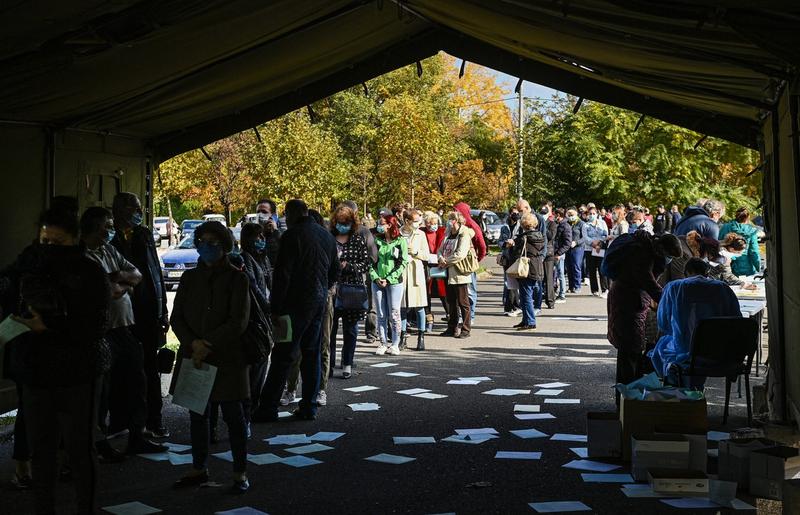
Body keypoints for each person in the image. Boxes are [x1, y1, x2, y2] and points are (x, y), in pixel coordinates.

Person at [12, 208, 111, 515]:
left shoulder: (90, 272)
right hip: (37, 371)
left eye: (58, 241)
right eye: (45, 239)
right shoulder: (28, 268)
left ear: (75, 239)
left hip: (78, 371)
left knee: (79, 449)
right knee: (42, 450)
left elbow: (96, 326)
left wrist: (50, 327)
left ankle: (86, 508)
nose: (50, 246)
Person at [81, 207, 168, 462]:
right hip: (100, 331)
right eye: (106, 226)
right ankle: (97, 443)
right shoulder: (82, 256)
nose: (111, 231)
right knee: (101, 391)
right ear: (93, 228)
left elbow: (137, 274)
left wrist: (117, 277)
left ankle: (137, 436)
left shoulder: (108, 250)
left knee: (136, 381)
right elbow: (106, 292)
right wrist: (119, 284)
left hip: (125, 327)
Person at [254, 200, 339, 422]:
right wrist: (323, 288)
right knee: (311, 354)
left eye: (286, 215)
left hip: (293, 304)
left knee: (283, 356)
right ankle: (309, 406)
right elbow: (334, 271)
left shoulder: (291, 236)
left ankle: (268, 407)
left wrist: (275, 308)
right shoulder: (326, 236)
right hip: (318, 302)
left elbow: (283, 275)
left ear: (292, 214)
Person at [111, 192, 170, 439]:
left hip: (148, 312)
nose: (138, 212)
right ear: (119, 210)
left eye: (139, 207)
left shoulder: (144, 235)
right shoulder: (111, 240)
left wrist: (163, 309)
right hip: (124, 315)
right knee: (124, 371)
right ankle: (123, 422)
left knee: (150, 369)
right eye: (133, 208)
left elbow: (155, 272)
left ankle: (153, 420)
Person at [603, 232, 682, 405]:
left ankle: (630, 398)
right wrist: (672, 303)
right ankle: (627, 400)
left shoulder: (647, 250)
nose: (669, 260)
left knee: (632, 349)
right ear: (662, 249)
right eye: (669, 255)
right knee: (630, 350)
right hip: (628, 303)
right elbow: (649, 283)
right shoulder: (642, 255)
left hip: (631, 301)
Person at [648, 258, 743, 387]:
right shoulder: (722, 288)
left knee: (661, 349)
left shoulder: (674, 287)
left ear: (686, 273)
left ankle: (679, 393)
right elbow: (736, 321)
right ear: (707, 272)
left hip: (685, 350)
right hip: (719, 353)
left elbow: (664, 323)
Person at [329, 205, 371, 377]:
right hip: (332, 289)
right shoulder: (329, 239)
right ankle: (329, 364)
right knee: (329, 330)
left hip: (352, 289)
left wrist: (350, 266)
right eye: (339, 222)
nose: (342, 225)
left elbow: (366, 263)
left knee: (351, 329)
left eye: (345, 223)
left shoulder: (357, 239)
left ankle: (347, 363)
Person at [238, 223, 272, 427]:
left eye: (263, 236)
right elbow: (253, 285)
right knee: (255, 362)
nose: (262, 239)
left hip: (263, 317)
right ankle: (247, 410)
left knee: (261, 362)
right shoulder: (245, 259)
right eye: (257, 236)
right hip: (255, 318)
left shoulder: (264, 258)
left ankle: (251, 407)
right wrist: (267, 306)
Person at [370, 213, 407, 355]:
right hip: (377, 281)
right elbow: (371, 261)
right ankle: (382, 342)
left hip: (394, 283)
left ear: (389, 225)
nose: (379, 226)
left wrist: (389, 279)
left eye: (381, 223)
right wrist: (376, 277)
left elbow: (402, 262)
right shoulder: (376, 241)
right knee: (380, 313)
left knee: (394, 312)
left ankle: (395, 343)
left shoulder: (400, 241)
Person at [437, 211, 474, 338]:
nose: (449, 221)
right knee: (451, 301)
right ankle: (452, 327)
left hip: (460, 272)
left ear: (457, 221)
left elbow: (460, 254)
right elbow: (440, 249)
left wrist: (446, 262)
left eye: (451, 219)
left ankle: (465, 329)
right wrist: (440, 258)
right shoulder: (448, 234)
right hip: (447, 272)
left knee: (463, 302)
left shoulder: (464, 234)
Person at [400, 209, 430, 350]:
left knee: (419, 306)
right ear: (407, 221)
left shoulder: (421, 234)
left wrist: (416, 252)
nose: (418, 223)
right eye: (415, 221)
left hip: (415, 273)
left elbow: (426, 255)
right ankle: (402, 336)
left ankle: (421, 336)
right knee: (402, 307)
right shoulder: (398, 233)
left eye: (419, 221)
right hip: (401, 273)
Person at [510, 213, 545, 330]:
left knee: (526, 296)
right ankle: (525, 319)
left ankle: (530, 321)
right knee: (527, 294)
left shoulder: (523, 237)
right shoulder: (539, 235)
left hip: (526, 267)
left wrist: (511, 245)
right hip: (537, 266)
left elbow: (516, 253)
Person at [454, 202, 487, 321]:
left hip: (468, 263)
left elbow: (482, 246)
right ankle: (459, 315)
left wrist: (477, 260)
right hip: (455, 263)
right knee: (458, 291)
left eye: (457, 211)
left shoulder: (472, 226)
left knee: (470, 290)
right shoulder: (454, 226)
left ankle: (470, 315)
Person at [719, 207, 762, 277]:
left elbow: (719, 245)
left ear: (736, 215)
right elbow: (754, 251)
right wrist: (758, 268)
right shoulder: (751, 230)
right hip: (747, 268)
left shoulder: (725, 227)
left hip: (728, 265)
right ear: (748, 217)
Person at [583, 206, 609, 297]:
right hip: (590, 249)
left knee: (602, 269)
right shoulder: (585, 225)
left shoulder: (602, 223)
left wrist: (599, 243)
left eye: (594, 213)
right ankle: (594, 290)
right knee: (592, 269)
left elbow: (606, 235)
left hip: (601, 248)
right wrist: (594, 244)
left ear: (597, 214)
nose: (592, 215)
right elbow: (586, 238)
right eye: (590, 214)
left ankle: (605, 289)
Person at [500, 207, 522, 315]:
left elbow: (522, 240)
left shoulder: (521, 226)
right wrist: (505, 244)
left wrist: (514, 242)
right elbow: (499, 241)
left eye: (518, 213)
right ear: (509, 214)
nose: (516, 215)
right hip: (507, 257)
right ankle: (508, 306)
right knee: (507, 283)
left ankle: (517, 306)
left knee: (515, 283)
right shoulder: (504, 227)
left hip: (517, 257)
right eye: (514, 213)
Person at [540, 204, 558, 309]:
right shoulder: (537, 223)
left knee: (549, 278)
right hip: (539, 252)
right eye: (541, 214)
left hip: (549, 253)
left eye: (544, 214)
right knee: (539, 278)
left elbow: (551, 236)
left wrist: (543, 226)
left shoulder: (552, 224)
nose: (542, 216)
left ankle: (550, 300)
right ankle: (538, 299)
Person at [565, 208, 587, 293]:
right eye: (569, 215)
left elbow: (584, 237)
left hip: (578, 248)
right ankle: (571, 286)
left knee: (576, 266)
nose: (570, 217)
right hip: (568, 247)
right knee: (569, 267)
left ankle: (577, 286)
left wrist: (576, 242)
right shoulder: (567, 223)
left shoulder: (581, 224)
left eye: (572, 215)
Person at [552, 208, 572, 303]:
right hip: (554, 252)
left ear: (559, 215)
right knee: (554, 274)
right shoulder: (557, 225)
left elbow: (567, 243)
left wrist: (559, 253)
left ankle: (562, 295)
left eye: (555, 215)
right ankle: (554, 291)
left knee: (560, 274)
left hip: (559, 254)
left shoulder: (566, 226)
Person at [255, 198, 282, 265]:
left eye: (264, 212)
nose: (260, 215)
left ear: (273, 216)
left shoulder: (280, 234)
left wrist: (275, 232)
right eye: (258, 212)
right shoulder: (252, 235)